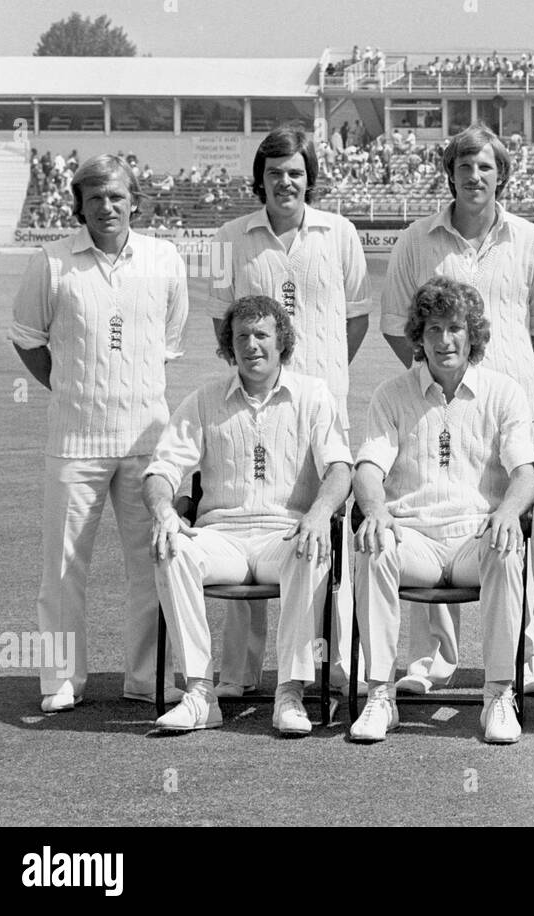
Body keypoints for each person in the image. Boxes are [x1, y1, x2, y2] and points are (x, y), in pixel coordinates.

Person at [380, 124, 534, 697]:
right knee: (431, 509)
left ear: (501, 174)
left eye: (485, 167)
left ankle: (525, 656)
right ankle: (431, 658)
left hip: (507, 404)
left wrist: (496, 376)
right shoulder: (415, 240)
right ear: (449, 174)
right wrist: (435, 373)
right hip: (435, 397)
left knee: (510, 519)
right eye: (463, 167)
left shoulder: (530, 240)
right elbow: (396, 325)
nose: (474, 177)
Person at [9, 153, 188, 712]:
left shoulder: (164, 259)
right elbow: (27, 337)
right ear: (79, 207)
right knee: (63, 567)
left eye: (116, 196)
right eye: (94, 199)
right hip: (74, 442)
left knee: (152, 562)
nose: (107, 207)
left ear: (135, 199)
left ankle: (145, 678)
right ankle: (61, 681)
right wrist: (71, 389)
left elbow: (168, 344)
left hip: (147, 441)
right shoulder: (53, 261)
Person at [209, 124, 371, 700]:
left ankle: (327, 667)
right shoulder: (231, 236)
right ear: (261, 179)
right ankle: (239, 673)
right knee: (245, 520)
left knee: (324, 531)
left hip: (321, 410)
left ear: (310, 179)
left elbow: (355, 319)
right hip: (254, 405)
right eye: (275, 173)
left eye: (296, 173)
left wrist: (316, 383)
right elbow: (219, 323)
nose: (286, 183)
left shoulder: (341, 232)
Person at [142, 296, 353, 735]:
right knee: (170, 549)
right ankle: (200, 694)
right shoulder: (205, 398)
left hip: (285, 533)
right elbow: (161, 469)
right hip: (223, 536)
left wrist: (319, 512)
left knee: (312, 548)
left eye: (262, 335)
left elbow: (339, 468)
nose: (251, 345)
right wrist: (164, 509)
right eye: (241, 336)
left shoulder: (313, 395)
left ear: (282, 343)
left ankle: (290, 693)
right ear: (229, 345)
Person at [350, 278, 534, 745]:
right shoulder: (391, 394)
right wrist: (373, 509)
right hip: (414, 539)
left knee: (507, 546)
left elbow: (526, 474)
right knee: (373, 544)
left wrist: (509, 513)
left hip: (476, 538)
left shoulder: (504, 392)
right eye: (433, 329)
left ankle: (498, 694)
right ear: (418, 336)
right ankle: (380, 694)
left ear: (473, 334)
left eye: (455, 328)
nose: (444, 340)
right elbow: (368, 468)